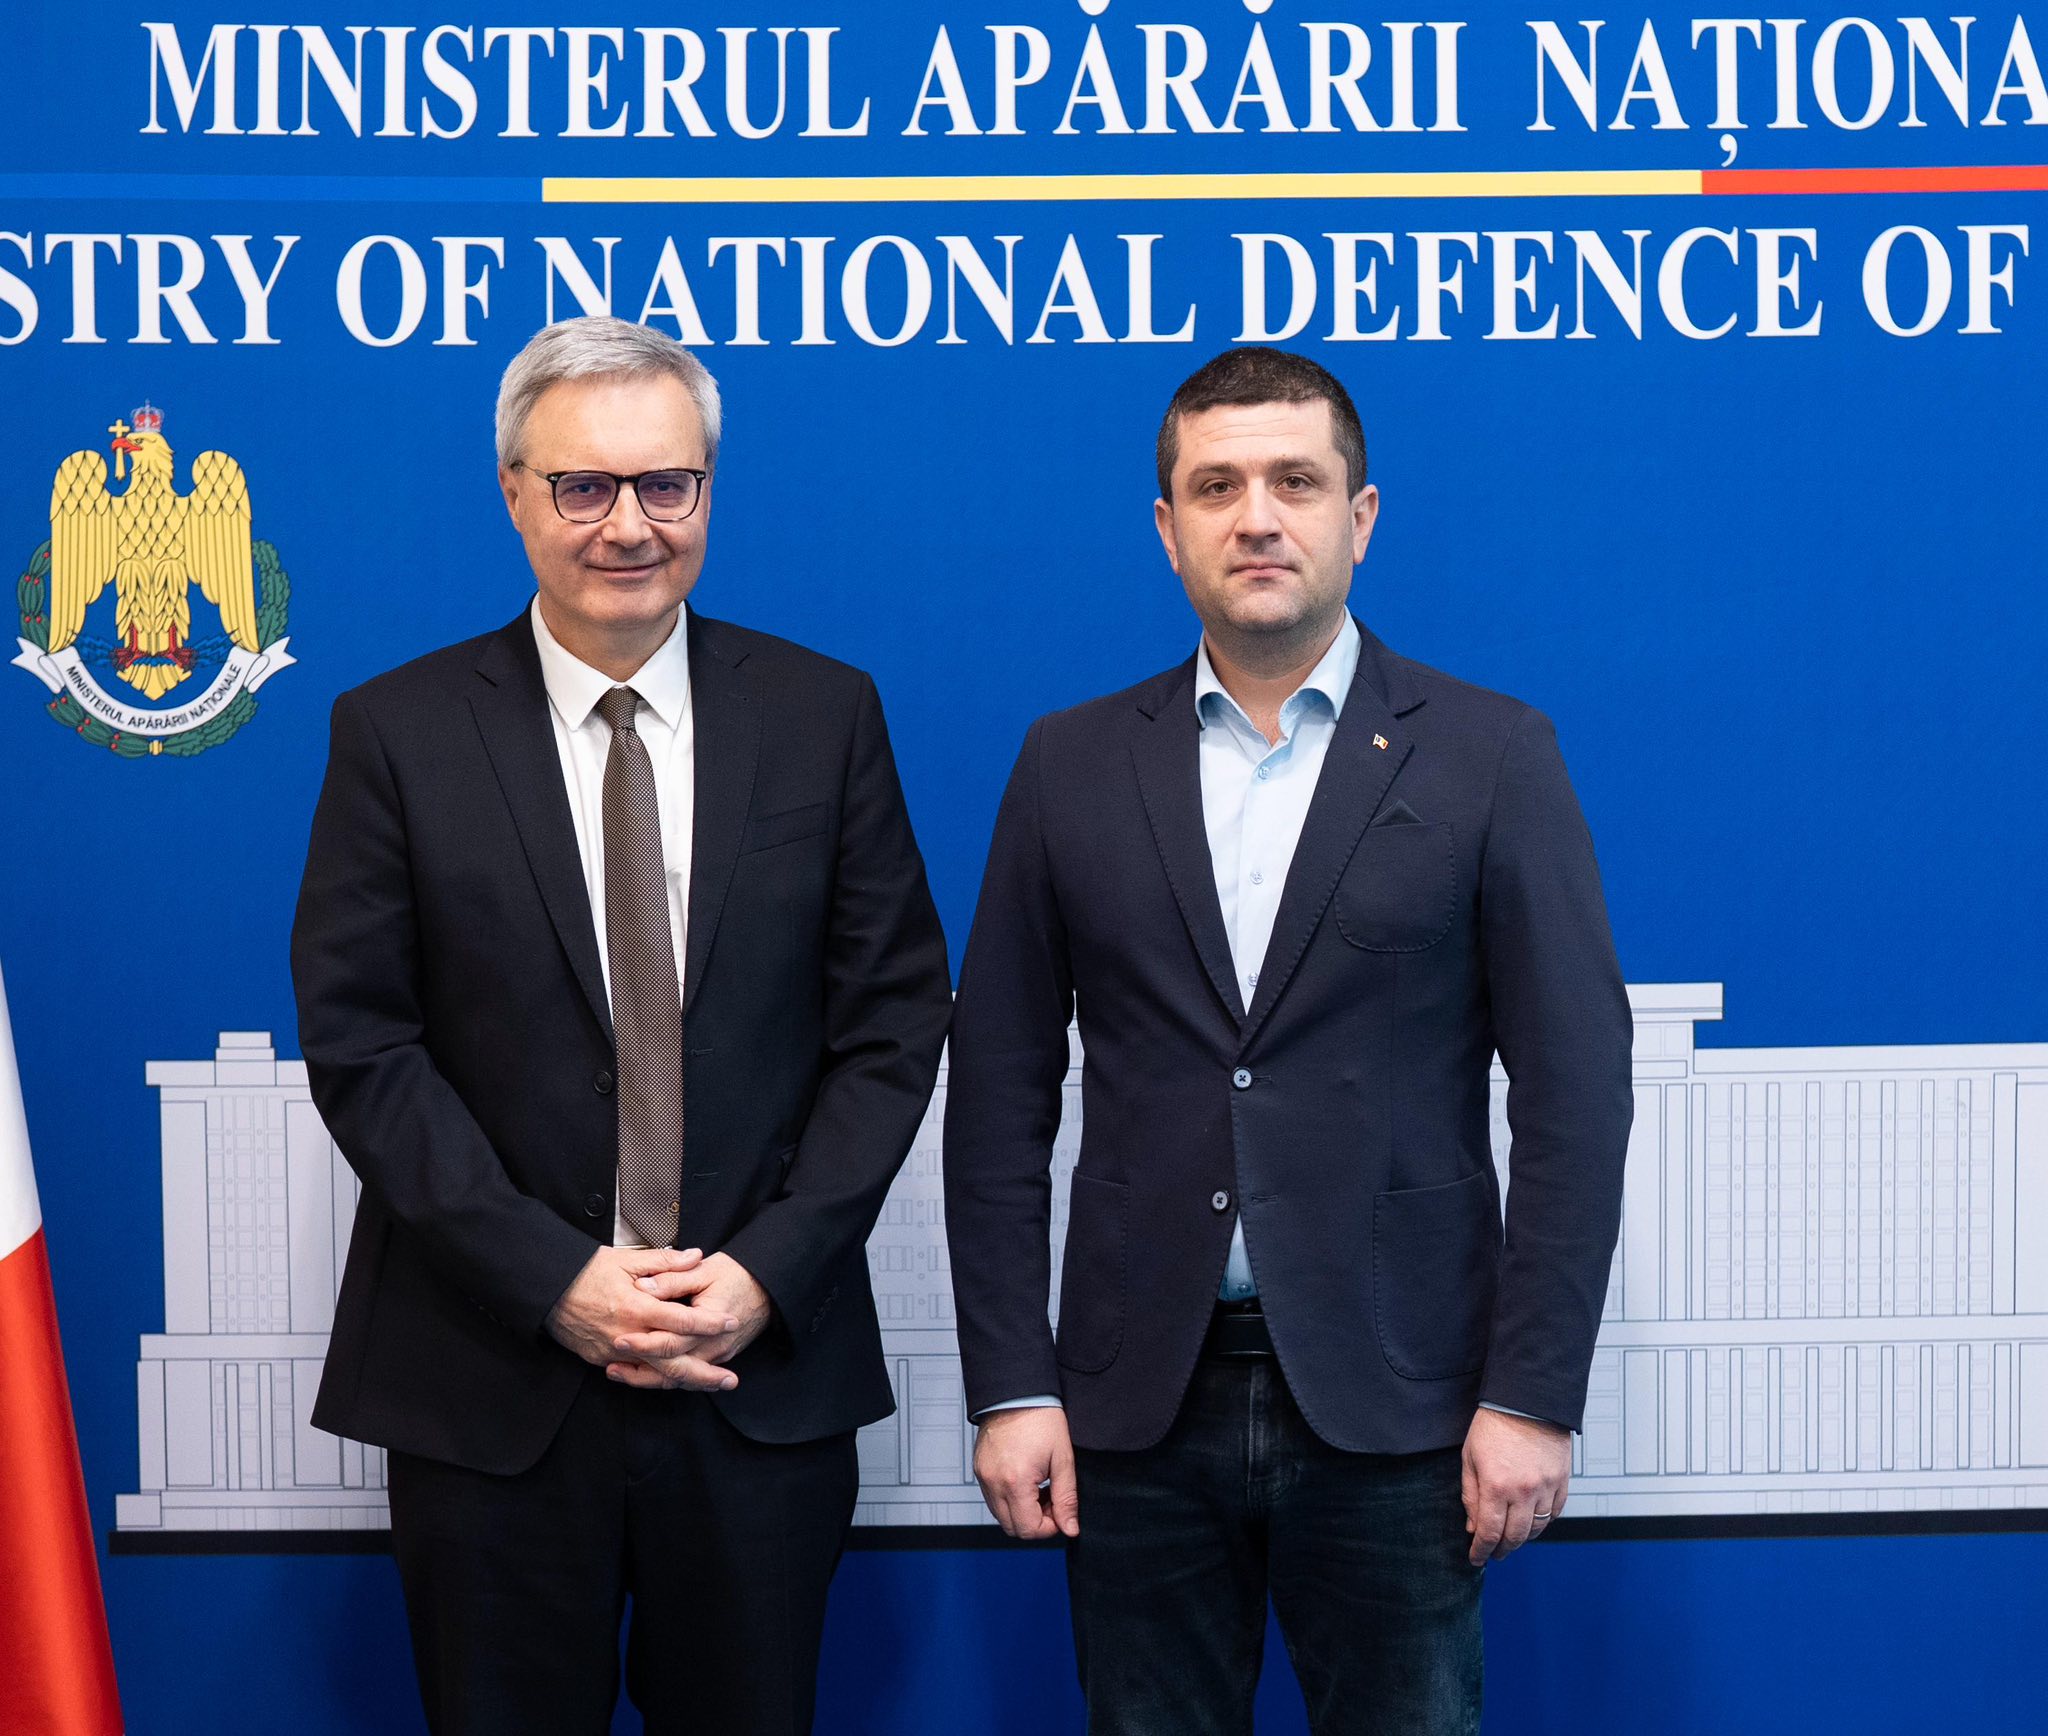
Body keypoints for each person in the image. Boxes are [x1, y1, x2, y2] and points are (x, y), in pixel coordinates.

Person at [943, 347, 1634, 1735]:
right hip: (1135, 1408)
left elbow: (1577, 1099)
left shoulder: (1492, 754)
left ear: (1359, 517)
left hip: (1404, 1405)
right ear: (1168, 528)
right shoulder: (1069, 764)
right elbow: (999, 1098)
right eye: (1218, 487)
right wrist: (1011, 1384)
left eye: (1295, 482)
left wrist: (1532, 1397)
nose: (1257, 517)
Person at [291, 316, 952, 1736]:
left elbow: (894, 1025)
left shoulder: (824, 714)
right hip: (492, 1382)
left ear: (709, 488)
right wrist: (556, 1278)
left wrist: (768, 1270)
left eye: (667, 484)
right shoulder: (397, 731)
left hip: (754, 1375)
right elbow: (363, 1047)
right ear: (514, 493)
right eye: (584, 486)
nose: (629, 526)